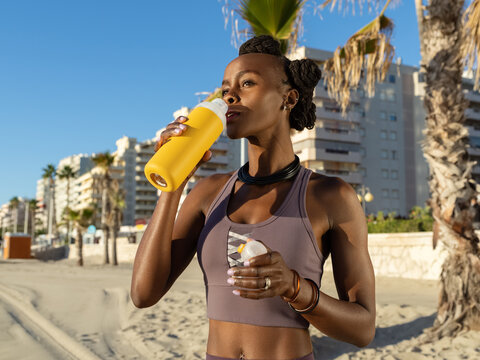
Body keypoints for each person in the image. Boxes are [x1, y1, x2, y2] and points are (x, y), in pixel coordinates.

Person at [131, 35, 375, 360]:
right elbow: (143, 295)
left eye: (246, 83)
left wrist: (295, 288)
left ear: (287, 99)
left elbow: (362, 329)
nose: (230, 95)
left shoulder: (330, 196)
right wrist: (172, 184)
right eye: (225, 89)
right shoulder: (208, 192)